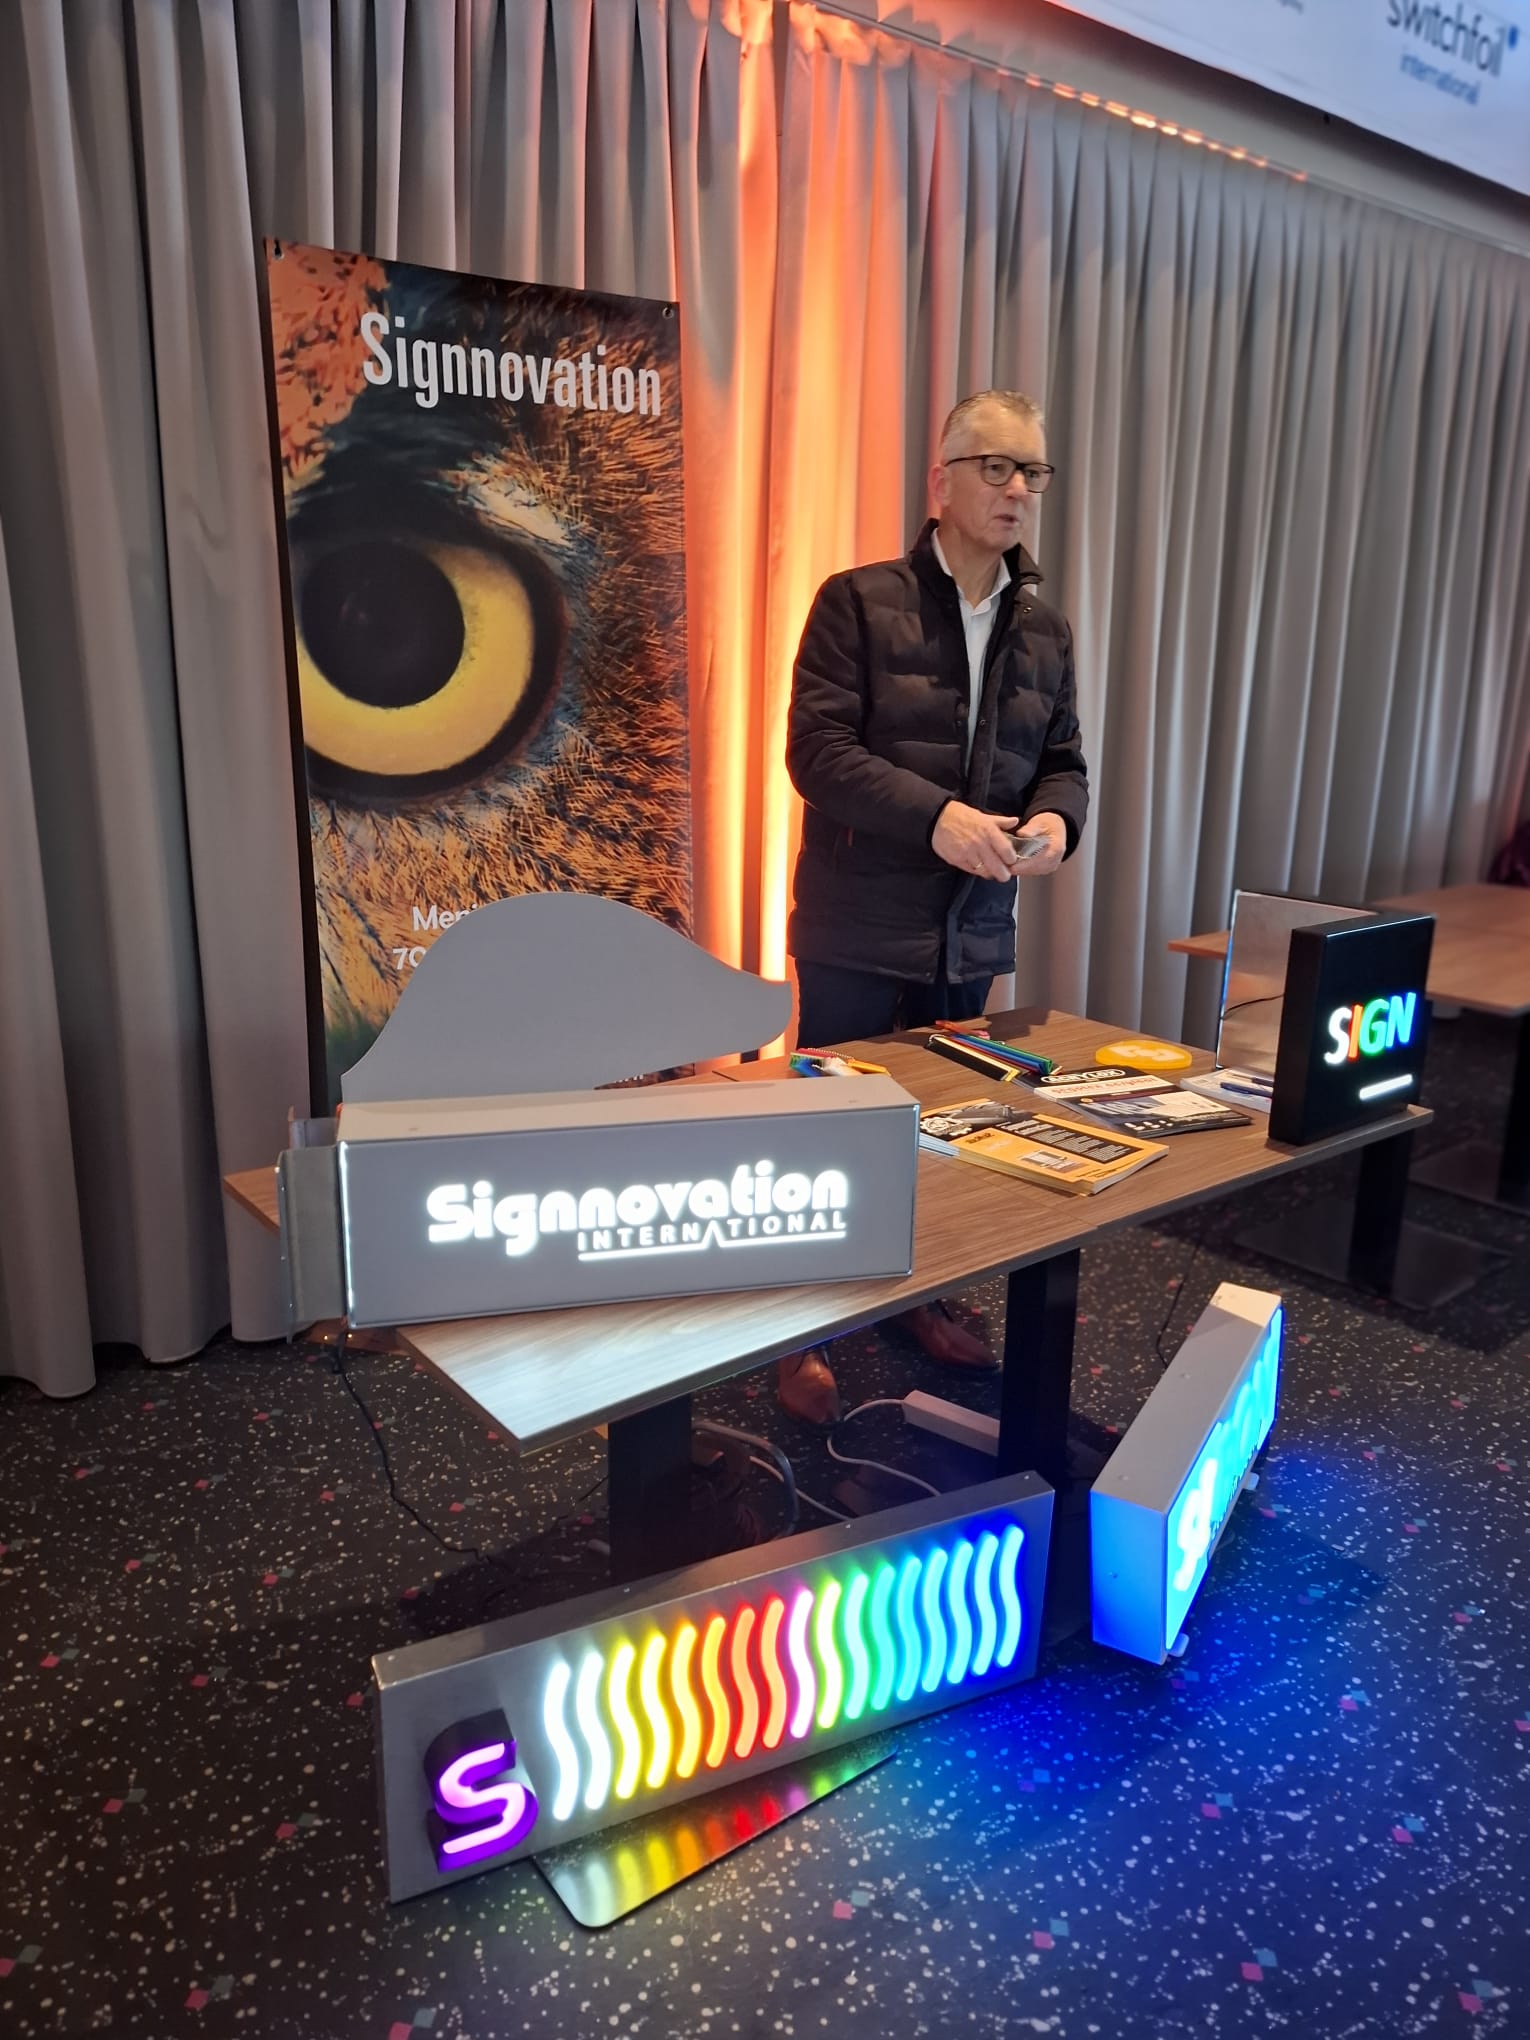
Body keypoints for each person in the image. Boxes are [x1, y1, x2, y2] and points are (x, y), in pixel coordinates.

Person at [777, 389, 1090, 1423]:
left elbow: (1063, 763)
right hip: (857, 925)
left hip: (973, 930)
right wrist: (937, 819)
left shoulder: (1047, 630)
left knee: (944, 1132)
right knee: (832, 1138)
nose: (1017, 488)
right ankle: (806, 1324)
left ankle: (918, 1295)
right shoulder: (857, 601)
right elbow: (817, 754)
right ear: (940, 481)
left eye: (1032, 471)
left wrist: (1057, 822)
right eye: (996, 466)